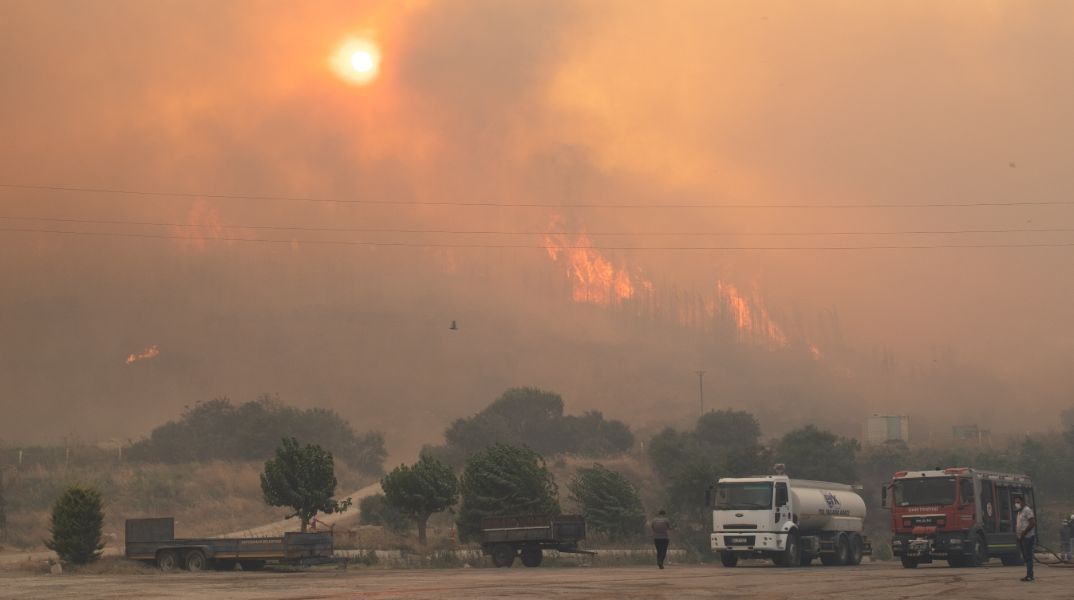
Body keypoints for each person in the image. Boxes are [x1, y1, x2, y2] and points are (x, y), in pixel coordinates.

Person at [1014, 494, 1036, 582]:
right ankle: (1028, 575)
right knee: (1026, 557)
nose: (1016, 504)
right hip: (1022, 537)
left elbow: (1032, 523)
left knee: (1028, 557)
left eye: (1018, 502)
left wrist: (1024, 532)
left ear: (1023, 502)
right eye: (1015, 502)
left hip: (1028, 537)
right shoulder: (1019, 512)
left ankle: (1030, 576)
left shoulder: (1027, 510)